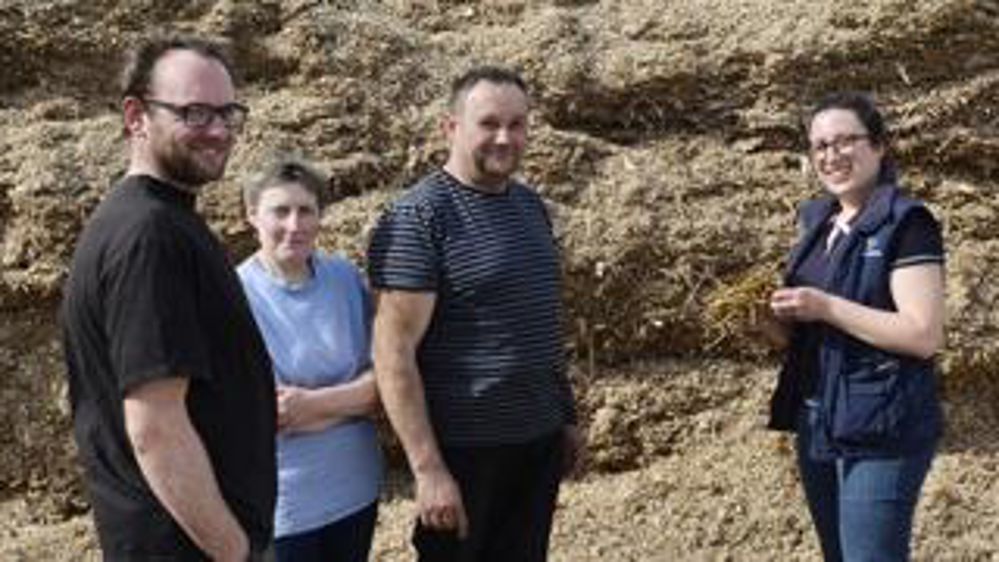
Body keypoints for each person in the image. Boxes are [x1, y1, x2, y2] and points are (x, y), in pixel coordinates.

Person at [60, 35, 276, 561]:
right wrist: (234, 551)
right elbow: (155, 426)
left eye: (228, 113)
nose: (220, 130)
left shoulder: (162, 218)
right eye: (195, 113)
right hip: (187, 547)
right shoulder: (147, 236)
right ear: (136, 115)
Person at [366, 66, 581, 562]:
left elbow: (538, 319)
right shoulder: (418, 218)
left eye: (517, 124)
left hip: (537, 441)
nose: (505, 137)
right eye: (488, 123)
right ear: (451, 128)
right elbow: (393, 352)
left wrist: (564, 415)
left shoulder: (530, 207)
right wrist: (428, 470)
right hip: (465, 454)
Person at [763, 92, 945, 561]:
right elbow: (808, 333)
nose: (832, 155)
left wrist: (825, 306)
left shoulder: (907, 224)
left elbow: (922, 335)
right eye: (820, 146)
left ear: (880, 147)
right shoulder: (816, 224)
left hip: (883, 424)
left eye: (846, 141)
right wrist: (769, 324)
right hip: (818, 419)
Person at [236, 156, 383, 562]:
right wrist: (354, 402)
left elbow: (387, 384)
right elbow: (269, 413)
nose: (294, 225)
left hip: (356, 488)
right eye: (280, 211)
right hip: (285, 505)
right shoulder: (235, 295)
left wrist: (311, 406)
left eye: (306, 210)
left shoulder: (345, 279)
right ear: (252, 215)